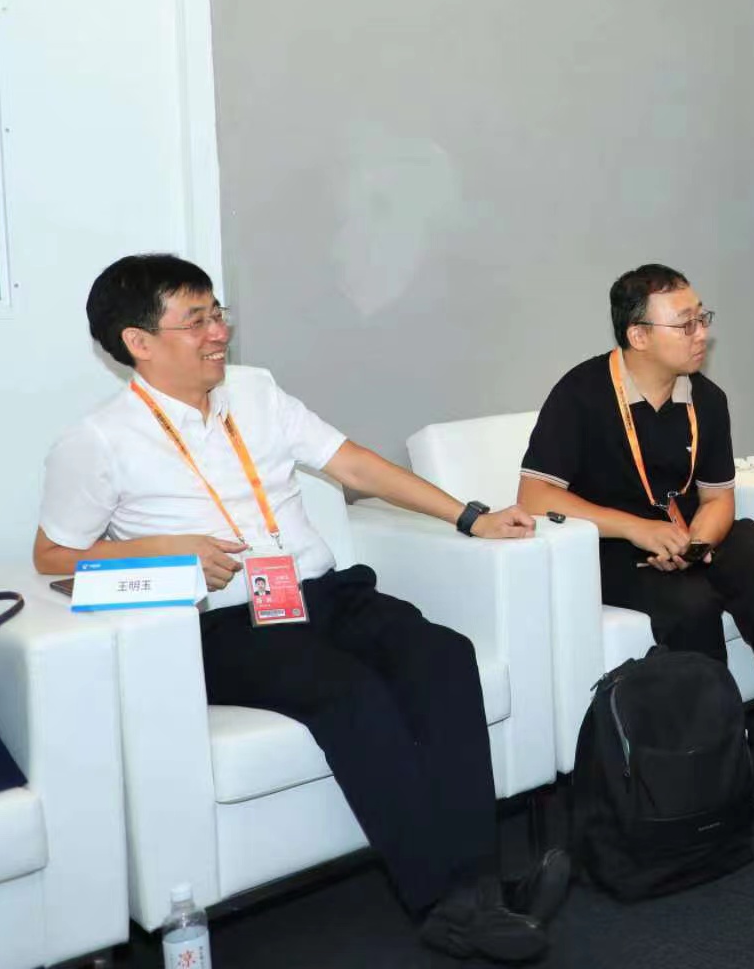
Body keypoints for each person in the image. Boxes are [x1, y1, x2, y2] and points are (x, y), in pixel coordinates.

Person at [33, 255, 568, 964]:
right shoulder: (99, 440)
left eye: (217, 314)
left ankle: (481, 888)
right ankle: (444, 904)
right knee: (350, 692)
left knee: (442, 655)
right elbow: (53, 556)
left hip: (325, 593)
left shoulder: (255, 392)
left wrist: (470, 516)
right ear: (139, 342)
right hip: (223, 624)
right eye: (196, 321)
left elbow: (353, 464)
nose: (218, 332)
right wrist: (165, 549)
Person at [517, 264, 754, 797]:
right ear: (638, 335)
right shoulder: (581, 394)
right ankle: (716, 768)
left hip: (691, 536)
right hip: (613, 546)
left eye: (702, 319)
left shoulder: (705, 398)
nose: (701, 334)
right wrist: (637, 529)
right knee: (690, 605)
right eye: (685, 324)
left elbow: (718, 498)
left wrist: (698, 542)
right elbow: (535, 497)